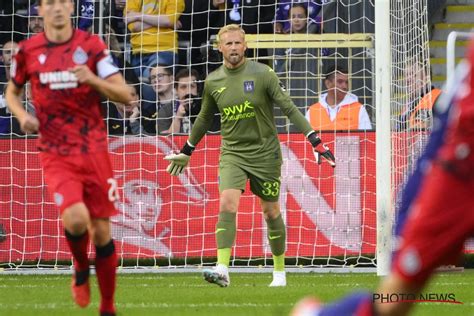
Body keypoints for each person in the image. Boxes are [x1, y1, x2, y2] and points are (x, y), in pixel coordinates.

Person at [291, 42, 474, 316]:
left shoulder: (435, 97)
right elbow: (447, 130)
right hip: (460, 169)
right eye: (409, 75)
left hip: (454, 163)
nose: (412, 80)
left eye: (416, 74)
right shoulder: (438, 101)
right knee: (396, 297)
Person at [164, 24, 336, 288]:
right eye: (228, 43)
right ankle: (222, 268)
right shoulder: (213, 81)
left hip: (265, 154)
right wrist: (187, 150)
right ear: (219, 47)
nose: (233, 47)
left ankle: (279, 273)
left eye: (237, 43)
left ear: (245, 46)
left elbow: (288, 107)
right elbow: (204, 118)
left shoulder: (263, 74)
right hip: (232, 152)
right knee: (227, 203)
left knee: (270, 212)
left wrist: (314, 140)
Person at [5, 0, 134, 315]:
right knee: (76, 220)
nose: (57, 8)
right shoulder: (27, 51)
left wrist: (92, 80)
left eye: (63, 1)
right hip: (55, 151)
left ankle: (107, 305)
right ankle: (79, 267)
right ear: (40, 10)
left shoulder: (92, 47)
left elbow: (125, 94)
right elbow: (12, 92)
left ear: (71, 7)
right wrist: (22, 116)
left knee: (101, 231)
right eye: (49, 2)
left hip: (93, 151)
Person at [125, 0, 185, 79]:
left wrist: (138, 16)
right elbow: (133, 26)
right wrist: (160, 21)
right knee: (135, 89)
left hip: (163, 51)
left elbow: (168, 21)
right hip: (138, 53)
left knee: (150, 86)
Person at [306, 65, 372, 131]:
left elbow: (367, 138)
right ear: (328, 84)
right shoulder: (312, 110)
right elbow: (304, 139)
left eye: (346, 82)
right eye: (340, 82)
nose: (345, 86)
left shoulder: (359, 109)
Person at [168, 68, 220, 134]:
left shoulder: (208, 108)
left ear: (197, 90)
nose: (188, 91)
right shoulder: (167, 110)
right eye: (183, 87)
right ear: (176, 90)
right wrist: (178, 118)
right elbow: (166, 141)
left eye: (192, 86)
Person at [139, 64, 175, 134]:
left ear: (172, 78)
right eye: (152, 77)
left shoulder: (183, 104)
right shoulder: (148, 112)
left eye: (160, 76)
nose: (156, 80)